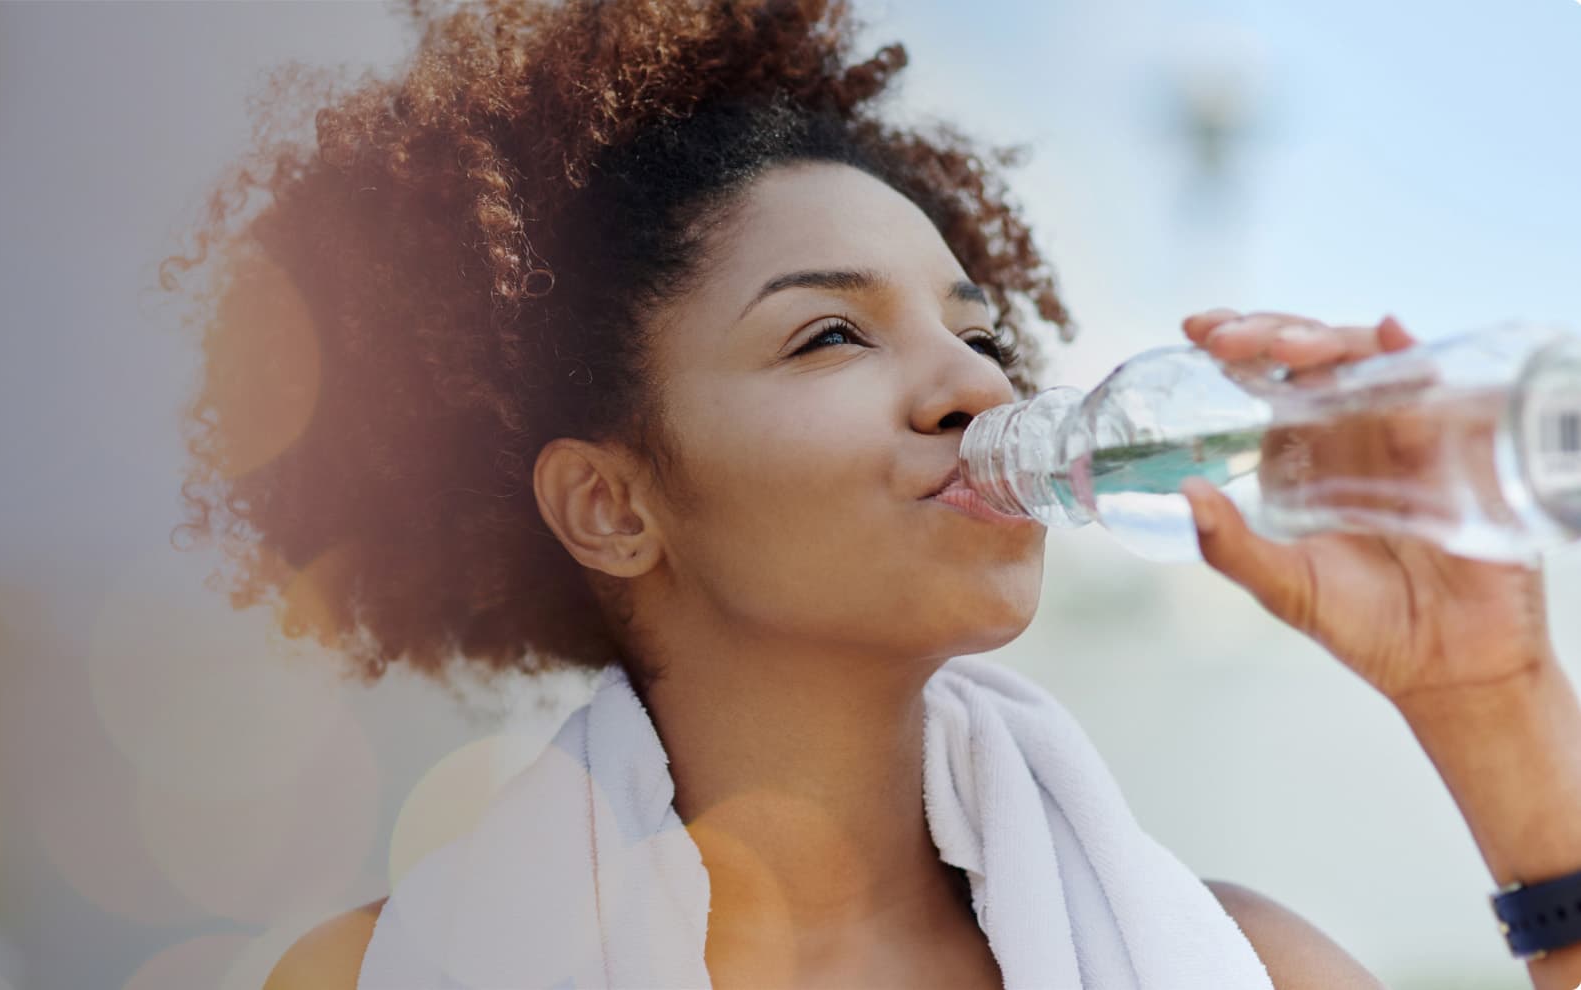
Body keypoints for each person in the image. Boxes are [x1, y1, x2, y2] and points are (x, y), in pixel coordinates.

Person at [165, 1, 1581, 986]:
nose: (976, 389)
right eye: (832, 334)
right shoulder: (381, 974)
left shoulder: (1245, 966)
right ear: (611, 505)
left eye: (980, 332)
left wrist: (1492, 700)